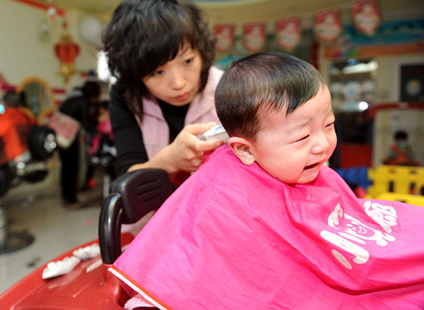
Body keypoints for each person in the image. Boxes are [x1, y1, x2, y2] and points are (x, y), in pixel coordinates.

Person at [111, 52, 424, 309]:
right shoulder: (225, 192)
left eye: (329, 124)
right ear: (245, 150)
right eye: (302, 135)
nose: (322, 145)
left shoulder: (303, 164)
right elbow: (191, 259)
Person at [102, 0, 224, 183]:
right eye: (157, 72)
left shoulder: (228, 87)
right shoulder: (126, 97)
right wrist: (169, 160)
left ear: (200, 50)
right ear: (135, 73)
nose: (178, 83)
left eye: (188, 61)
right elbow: (127, 175)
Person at [58, 80, 100, 208]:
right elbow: (87, 124)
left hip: (60, 136)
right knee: (72, 168)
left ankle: (67, 196)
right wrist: (101, 126)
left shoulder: (72, 97)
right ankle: (71, 200)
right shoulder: (83, 101)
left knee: (66, 167)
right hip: (69, 137)